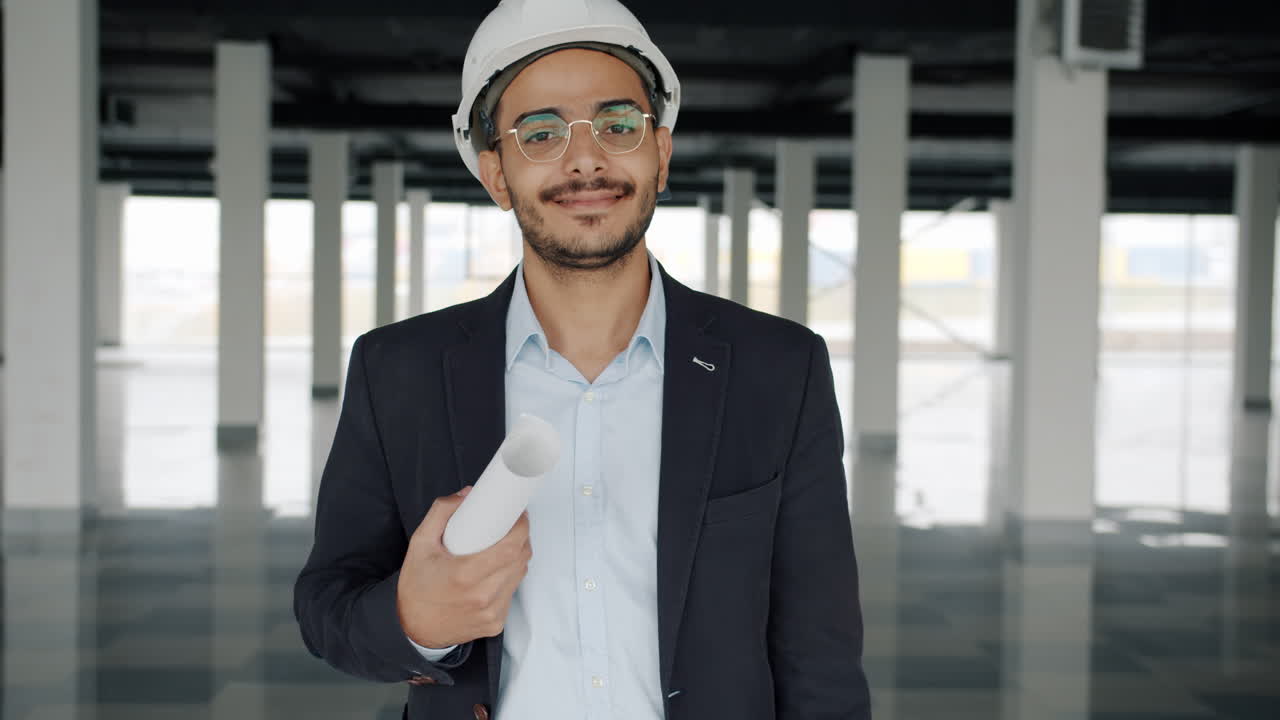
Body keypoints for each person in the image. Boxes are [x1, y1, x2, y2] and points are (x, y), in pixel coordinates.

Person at [293, 1, 871, 718]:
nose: (585, 157)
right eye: (540, 134)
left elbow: (821, 656)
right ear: (496, 175)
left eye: (618, 124)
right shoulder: (398, 370)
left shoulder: (780, 369)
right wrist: (416, 622)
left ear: (660, 154)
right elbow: (328, 608)